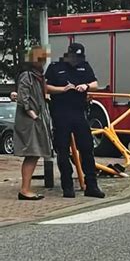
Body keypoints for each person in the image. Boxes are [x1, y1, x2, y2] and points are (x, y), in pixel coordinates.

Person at [45, 43, 105, 198]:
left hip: (79, 113)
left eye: (79, 57)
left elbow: (95, 84)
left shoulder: (84, 66)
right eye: (74, 56)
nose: (76, 59)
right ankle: (67, 187)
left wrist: (85, 86)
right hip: (61, 113)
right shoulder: (55, 67)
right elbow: (45, 87)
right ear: (68, 54)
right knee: (63, 151)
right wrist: (63, 90)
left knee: (87, 149)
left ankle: (91, 186)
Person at [14, 47, 52, 200]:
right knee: (32, 153)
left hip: (36, 119)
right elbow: (23, 97)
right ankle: (25, 189)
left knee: (34, 154)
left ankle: (26, 188)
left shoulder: (38, 76)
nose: (42, 62)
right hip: (30, 121)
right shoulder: (27, 76)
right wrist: (33, 115)